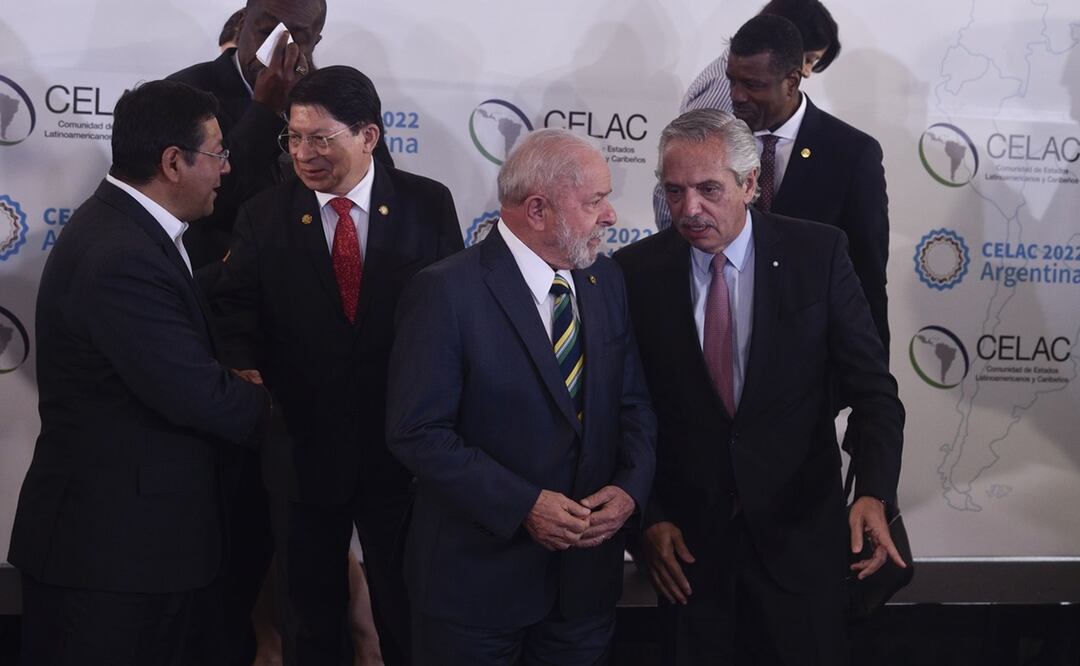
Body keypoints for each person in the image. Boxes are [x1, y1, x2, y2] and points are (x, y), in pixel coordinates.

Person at [614, 108, 905, 665]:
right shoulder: (634, 271)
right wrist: (646, 517)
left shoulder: (818, 254)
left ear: (750, 184)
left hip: (802, 545)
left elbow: (873, 391)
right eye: (673, 191)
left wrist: (873, 490)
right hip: (687, 556)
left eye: (708, 189)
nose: (689, 209)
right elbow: (624, 410)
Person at [8, 80, 272, 666]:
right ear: (173, 162)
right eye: (219, 154)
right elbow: (198, 393)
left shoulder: (131, 232)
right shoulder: (120, 254)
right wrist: (279, 404)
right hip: (110, 562)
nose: (226, 170)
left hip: (138, 553)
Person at [209, 65, 462, 665]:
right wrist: (243, 369)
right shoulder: (264, 215)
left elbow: (455, 315)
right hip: (301, 451)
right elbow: (234, 309)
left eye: (321, 138)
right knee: (309, 621)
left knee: (407, 610)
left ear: (369, 136)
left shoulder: (427, 205)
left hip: (402, 453)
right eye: (293, 138)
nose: (304, 153)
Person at [386, 129, 656, 665]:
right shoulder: (446, 291)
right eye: (595, 200)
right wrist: (524, 505)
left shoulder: (605, 278)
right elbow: (417, 432)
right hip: (475, 590)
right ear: (537, 210)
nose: (610, 216)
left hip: (582, 595)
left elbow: (633, 404)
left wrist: (630, 490)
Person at [168, 0, 395, 271]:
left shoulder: (340, 98)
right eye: (266, 32)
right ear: (242, 23)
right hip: (226, 285)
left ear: (314, 41)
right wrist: (266, 111)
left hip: (322, 278)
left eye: (295, 38)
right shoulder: (183, 94)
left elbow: (381, 185)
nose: (273, 51)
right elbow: (195, 202)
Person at [653, 0, 841, 231]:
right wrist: (676, 245)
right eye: (807, 59)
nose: (807, 72)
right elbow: (683, 172)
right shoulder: (726, 91)